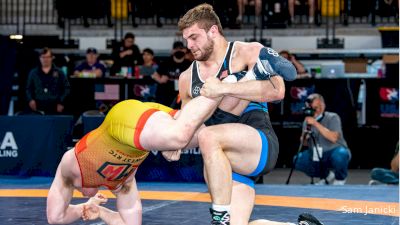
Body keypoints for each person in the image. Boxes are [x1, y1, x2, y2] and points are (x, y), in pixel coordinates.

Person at [177, 3, 321, 225]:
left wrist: (224, 88)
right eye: (186, 39)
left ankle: (219, 217)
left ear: (213, 30)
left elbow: (278, 91)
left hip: (256, 142)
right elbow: (188, 128)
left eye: (194, 37)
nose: (189, 45)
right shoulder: (187, 78)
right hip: (224, 163)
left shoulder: (247, 51)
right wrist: (173, 144)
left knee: (210, 131)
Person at [46, 81, 225, 225]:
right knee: (206, 135)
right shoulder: (123, 184)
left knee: (179, 137)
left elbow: (58, 211)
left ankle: (225, 83)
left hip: (123, 122)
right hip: (146, 118)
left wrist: (175, 145)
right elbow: (56, 218)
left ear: (75, 184)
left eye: (81, 193)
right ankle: (234, 94)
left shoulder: (70, 164)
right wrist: (98, 210)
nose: (88, 194)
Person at [293, 93, 351, 185]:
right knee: (298, 160)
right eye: (314, 107)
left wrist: (315, 123)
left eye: (320, 105)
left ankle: (340, 179)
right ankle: (326, 176)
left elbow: (333, 138)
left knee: (341, 154)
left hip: (333, 151)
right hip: (316, 153)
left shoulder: (333, 117)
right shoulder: (307, 120)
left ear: (324, 105)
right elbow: (305, 144)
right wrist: (304, 137)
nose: (318, 109)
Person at [26, 47, 70, 115]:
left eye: (47, 57)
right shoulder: (33, 73)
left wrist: (61, 102)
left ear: (52, 58)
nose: (45, 59)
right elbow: (28, 88)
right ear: (39, 58)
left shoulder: (59, 72)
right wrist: (30, 100)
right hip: (37, 106)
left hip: (55, 107)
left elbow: (66, 88)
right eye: (43, 57)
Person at [151, 41, 192, 106]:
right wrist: (160, 80)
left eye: (181, 49)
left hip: (182, 95)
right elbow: (154, 75)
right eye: (176, 49)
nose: (179, 51)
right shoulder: (166, 63)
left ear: (185, 50)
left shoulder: (189, 64)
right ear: (173, 51)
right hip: (166, 95)